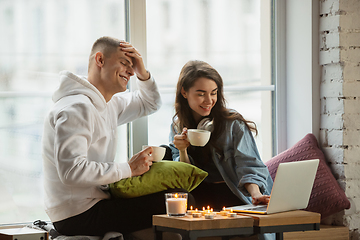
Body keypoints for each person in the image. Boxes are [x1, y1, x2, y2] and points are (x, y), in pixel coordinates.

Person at [42, 36, 186, 238]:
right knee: (181, 199)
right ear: (100, 60)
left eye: (132, 66)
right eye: (125, 63)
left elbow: (150, 103)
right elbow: (72, 171)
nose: (130, 71)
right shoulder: (76, 108)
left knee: (174, 210)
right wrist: (128, 168)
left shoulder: (107, 103)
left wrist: (143, 72)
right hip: (76, 214)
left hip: (97, 203)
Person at [168, 60, 274, 210]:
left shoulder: (232, 124)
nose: (209, 101)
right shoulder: (177, 126)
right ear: (184, 92)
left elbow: (249, 165)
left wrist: (256, 194)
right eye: (201, 94)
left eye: (213, 93)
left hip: (231, 193)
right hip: (197, 197)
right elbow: (185, 177)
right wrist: (182, 150)